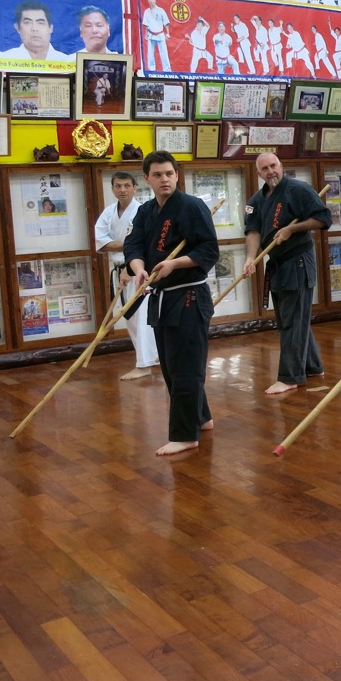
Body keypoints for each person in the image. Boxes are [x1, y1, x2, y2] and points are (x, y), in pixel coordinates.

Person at [125, 151, 219, 457]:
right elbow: (133, 245)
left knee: (186, 367)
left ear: (177, 175)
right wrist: (139, 268)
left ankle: (185, 435)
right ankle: (201, 418)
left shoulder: (191, 206)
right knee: (170, 366)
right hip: (161, 298)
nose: (164, 179)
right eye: (157, 175)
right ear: (147, 179)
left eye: (169, 173)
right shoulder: (146, 211)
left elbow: (209, 249)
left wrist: (174, 263)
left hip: (189, 295)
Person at [242, 153, 332, 394]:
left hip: (298, 261)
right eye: (264, 168)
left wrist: (293, 229)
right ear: (259, 173)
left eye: (273, 166)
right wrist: (250, 258)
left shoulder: (298, 190)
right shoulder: (256, 200)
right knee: (290, 318)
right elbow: (253, 231)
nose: (270, 171)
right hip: (277, 264)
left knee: (293, 319)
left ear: (281, 166)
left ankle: (290, 377)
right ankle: (312, 366)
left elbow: (323, 218)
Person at [95, 171, 158, 380]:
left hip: (139, 270)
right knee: (129, 318)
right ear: (113, 189)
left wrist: (131, 261)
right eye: (118, 186)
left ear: (135, 188)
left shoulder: (142, 210)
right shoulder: (108, 212)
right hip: (119, 270)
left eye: (127, 186)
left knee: (142, 318)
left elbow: (147, 243)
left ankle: (145, 364)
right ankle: (152, 357)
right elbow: (101, 243)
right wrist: (131, 244)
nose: (122, 190)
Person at [3, 0, 69, 61]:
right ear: (17, 28)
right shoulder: (5, 59)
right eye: (27, 22)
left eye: (40, 23)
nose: (34, 28)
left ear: (50, 28)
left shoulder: (66, 62)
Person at [141, 0, 171, 71]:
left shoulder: (161, 10)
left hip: (160, 34)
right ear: (148, 1)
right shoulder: (147, 12)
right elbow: (146, 24)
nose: (151, 1)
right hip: (151, 34)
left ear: (155, 0)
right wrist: (145, 34)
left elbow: (166, 23)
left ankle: (167, 69)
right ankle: (151, 69)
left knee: (164, 52)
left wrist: (168, 33)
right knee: (150, 53)